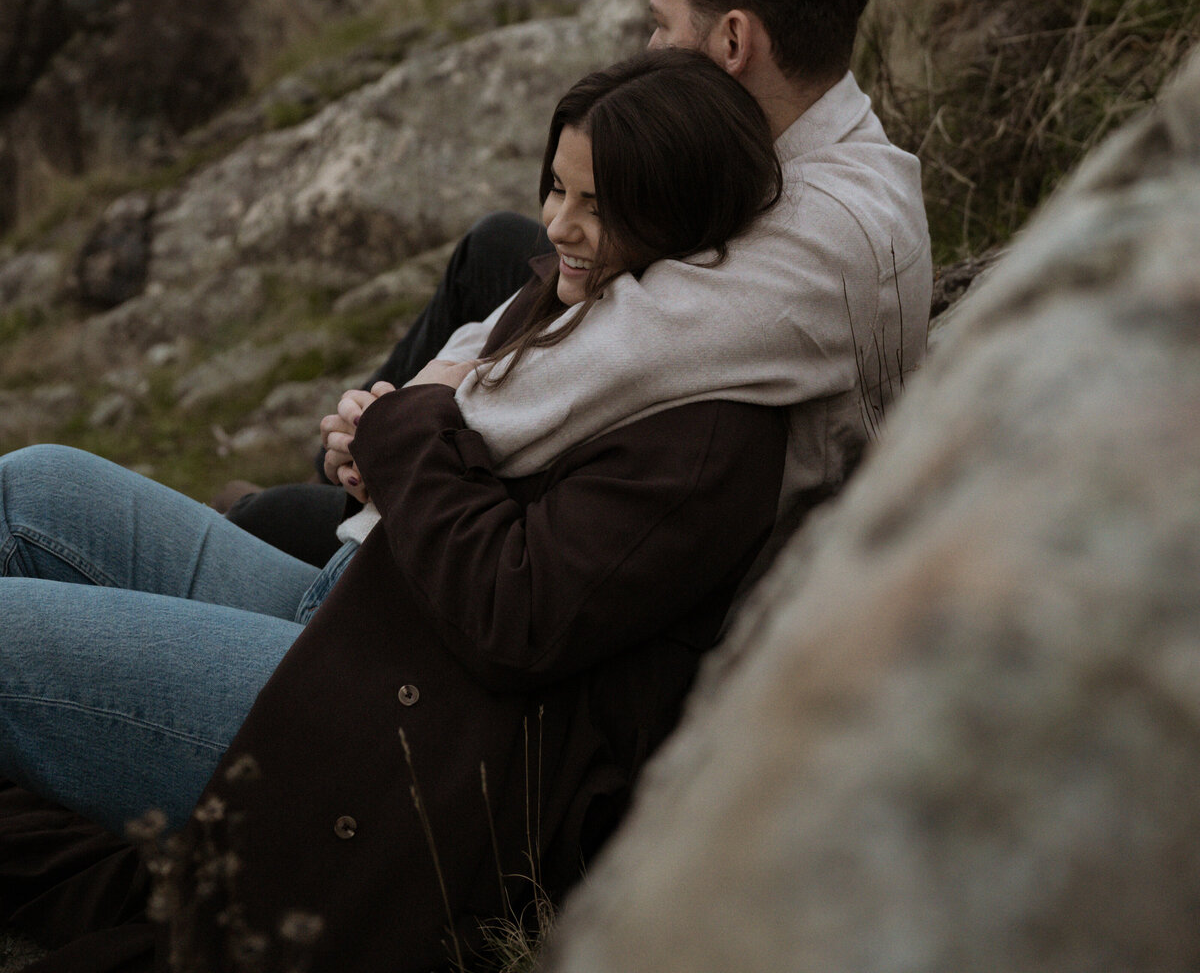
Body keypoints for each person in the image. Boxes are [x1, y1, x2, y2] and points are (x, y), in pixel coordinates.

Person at [0, 50, 792, 973]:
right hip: (362, 611)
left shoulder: (703, 432)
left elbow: (519, 615)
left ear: (678, 205)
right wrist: (382, 465)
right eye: (557, 189)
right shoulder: (603, 306)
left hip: (386, 733)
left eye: (594, 205)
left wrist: (404, 433)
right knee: (34, 487)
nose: (557, 225)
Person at [229, 0, 933, 567]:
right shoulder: (800, 141)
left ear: (733, 40)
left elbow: (604, 359)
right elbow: (561, 304)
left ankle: (296, 518)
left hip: (703, 557)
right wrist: (425, 388)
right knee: (502, 248)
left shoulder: (821, 236)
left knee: (262, 521)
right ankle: (317, 492)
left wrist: (385, 431)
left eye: (661, 23)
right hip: (628, 419)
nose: (648, 48)